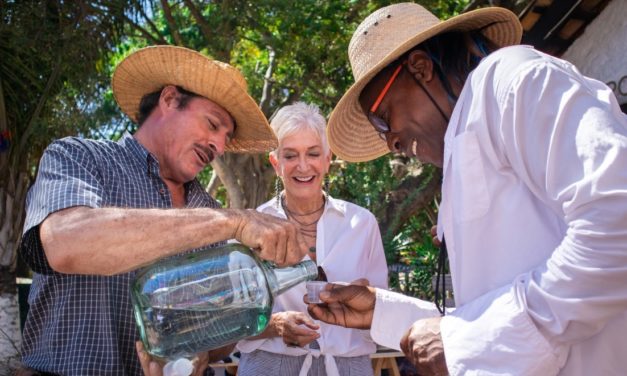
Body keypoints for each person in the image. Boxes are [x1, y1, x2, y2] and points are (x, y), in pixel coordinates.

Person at [306, 3, 627, 376]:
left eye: (383, 118)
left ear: (421, 68)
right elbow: (493, 312)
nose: (390, 141)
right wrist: (383, 312)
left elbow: (616, 219)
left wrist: (470, 342)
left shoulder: (511, 78)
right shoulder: (463, 144)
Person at [17, 45, 308, 376]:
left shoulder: (207, 209)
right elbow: (65, 243)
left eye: (226, 138)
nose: (219, 146)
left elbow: (216, 335)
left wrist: (202, 351)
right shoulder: (80, 157)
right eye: (213, 124)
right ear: (170, 99)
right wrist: (231, 220)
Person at [236, 102, 388, 376]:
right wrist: (275, 325)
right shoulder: (253, 226)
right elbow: (233, 318)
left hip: (348, 367)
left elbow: (384, 310)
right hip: (270, 366)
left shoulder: (361, 223)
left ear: (328, 159)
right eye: (290, 155)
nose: (303, 166)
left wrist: (364, 301)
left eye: (313, 153)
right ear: (276, 163)